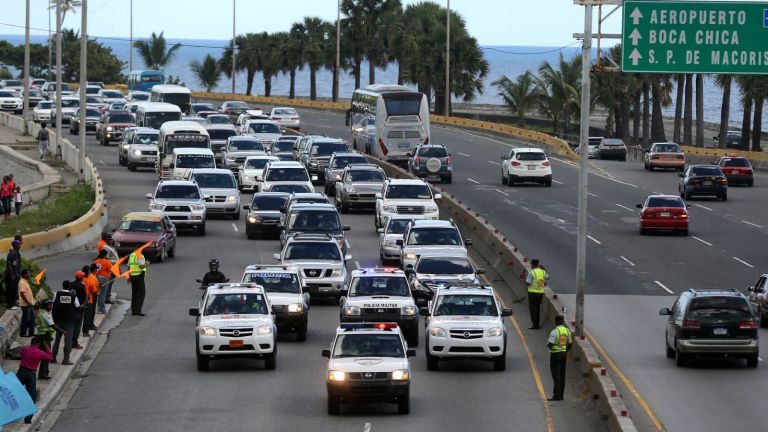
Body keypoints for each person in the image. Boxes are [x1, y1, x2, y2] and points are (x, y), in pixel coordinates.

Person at [17, 336, 53, 424]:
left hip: (21, 372)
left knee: (15, 392)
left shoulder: (24, 349)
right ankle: (28, 419)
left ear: (31, 342)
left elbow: (20, 352)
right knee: (31, 396)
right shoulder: (40, 353)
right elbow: (50, 357)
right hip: (31, 374)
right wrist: (46, 346)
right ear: (39, 344)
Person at [547, 315, 572, 401]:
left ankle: (556, 395)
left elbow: (550, 345)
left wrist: (551, 348)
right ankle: (561, 395)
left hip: (555, 355)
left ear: (556, 321)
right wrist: (565, 350)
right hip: (564, 355)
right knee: (562, 375)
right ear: (563, 321)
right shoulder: (567, 330)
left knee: (556, 376)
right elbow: (570, 343)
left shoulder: (555, 331)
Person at [52, 280, 77, 366]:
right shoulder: (73, 295)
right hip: (69, 321)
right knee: (68, 341)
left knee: (57, 340)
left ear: (62, 286)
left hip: (58, 321)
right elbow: (77, 306)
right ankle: (66, 359)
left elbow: (53, 304)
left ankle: (53, 358)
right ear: (69, 287)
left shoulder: (57, 294)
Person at [35, 300, 61, 379]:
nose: (51, 307)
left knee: (43, 356)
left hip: (41, 336)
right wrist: (63, 331)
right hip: (44, 337)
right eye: (49, 305)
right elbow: (52, 325)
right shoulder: (45, 314)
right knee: (46, 356)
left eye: (51, 305)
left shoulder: (41, 312)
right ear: (45, 306)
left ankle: (43, 373)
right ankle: (43, 374)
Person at [526, 259, 549, 330]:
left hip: (532, 293)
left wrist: (525, 280)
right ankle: (537, 324)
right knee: (537, 308)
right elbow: (548, 277)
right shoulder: (542, 272)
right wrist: (545, 270)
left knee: (533, 310)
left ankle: (535, 325)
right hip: (540, 293)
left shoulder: (531, 273)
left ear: (532, 265)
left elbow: (528, 283)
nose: (531, 265)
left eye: (531, 264)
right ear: (538, 264)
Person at [70, 270, 87, 349]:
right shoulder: (82, 286)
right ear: (81, 278)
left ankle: (70, 341)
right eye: (83, 276)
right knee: (77, 326)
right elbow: (84, 297)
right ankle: (74, 342)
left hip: (71, 308)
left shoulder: (71, 284)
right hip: (79, 308)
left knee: (71, 326)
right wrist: (84, 305)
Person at [128, 249, 148, 316]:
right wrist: (147, 264)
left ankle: (133, 311)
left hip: (132, 276)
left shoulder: (132, 255)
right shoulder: (140, 255)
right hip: (139, 276)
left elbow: (128, 267)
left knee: (134, 294)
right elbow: (141, 266)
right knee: (142, 293)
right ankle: (138, 310)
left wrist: (129, 277)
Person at [82, 264, 100, 336]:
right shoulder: (91, 279)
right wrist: (99, 288)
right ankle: (86, 330)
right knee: (88, 316)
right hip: (89, 299)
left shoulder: (81, 278)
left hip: (81, 300)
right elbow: (94, 291)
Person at [92, 249, 112, 314]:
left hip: (96, 278)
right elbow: (111, 270)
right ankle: (101, 309)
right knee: (102, 294)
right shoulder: (107, 262)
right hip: (104, 278)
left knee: (97, 293)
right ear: (105, 255)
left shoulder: (95, 261)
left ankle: (96, 307)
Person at [18, 269, 36, 337]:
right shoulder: (22, 282)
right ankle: (23, 333)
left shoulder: (25, 282)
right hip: (26, 304)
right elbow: (22, 294)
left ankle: (31, 332)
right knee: (26, 319)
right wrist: (28, 302)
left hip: (29, 304)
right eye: (28, 273)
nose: (30, 274)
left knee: (31, 319)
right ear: (25, 274)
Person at [5, 239, 22, 309]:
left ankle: (14, 302)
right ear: (15, 246)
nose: (20, 246)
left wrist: (18, 274)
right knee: (10, 290)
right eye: (19, 245)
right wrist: (12, 275)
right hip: (10, 276)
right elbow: (9, 266)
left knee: (15, 290)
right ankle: (10, 305)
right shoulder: (11, 254)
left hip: (16, 275)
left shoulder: (17, 254)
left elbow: (17, 265)